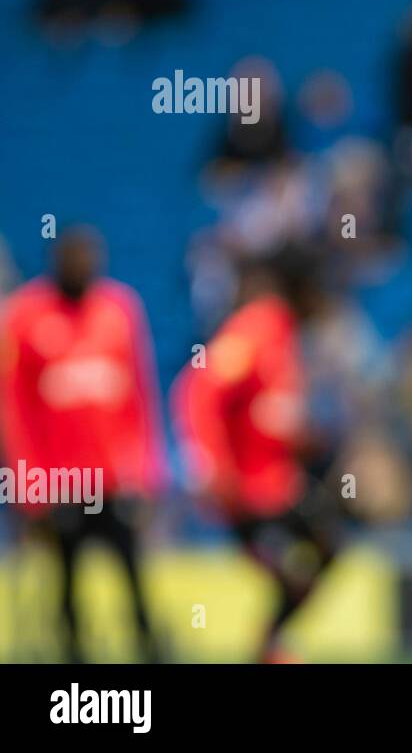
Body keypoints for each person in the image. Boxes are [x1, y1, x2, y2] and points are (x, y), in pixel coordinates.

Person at [0, 227, 165, 662]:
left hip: (113, 478)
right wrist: (28, 481)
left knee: (131, 570)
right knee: (66, 575)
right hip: (60, 480)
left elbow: (140, 397)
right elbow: (14, 410)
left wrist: (146, 472)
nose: (83, 265)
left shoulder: (120, 310)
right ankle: (73, 661)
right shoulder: (24, 316)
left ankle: (149, 648)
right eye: (74, 256)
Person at [171, 244, 338, 663]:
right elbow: (198, 390)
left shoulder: (284, 333)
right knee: (293, 567)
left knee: (324, 550)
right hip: (246, 492)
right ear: (302, 290)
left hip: (278, 485)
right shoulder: (258, 327)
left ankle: (269, 645)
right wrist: (207, 464)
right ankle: (269, 648)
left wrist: (298, 438)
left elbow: (266, 412)